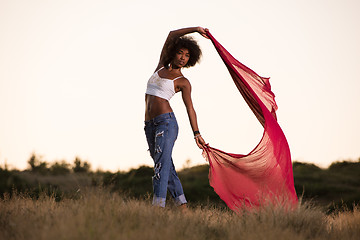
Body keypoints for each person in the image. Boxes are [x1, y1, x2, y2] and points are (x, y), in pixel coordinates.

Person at [144, 27, 207, 208]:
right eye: (180, 52)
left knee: (160, 167)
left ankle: (158, 207)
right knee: (165, 165)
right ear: (174, 52)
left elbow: (190, 108)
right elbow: (172, 34)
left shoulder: (183, 82)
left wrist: (197, 133)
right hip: (149, 125)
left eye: (187, 55)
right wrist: (195, 29)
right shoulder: (161, 66)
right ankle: (183, 207)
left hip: (166, 123)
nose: (182, 57)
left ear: (190, 60)